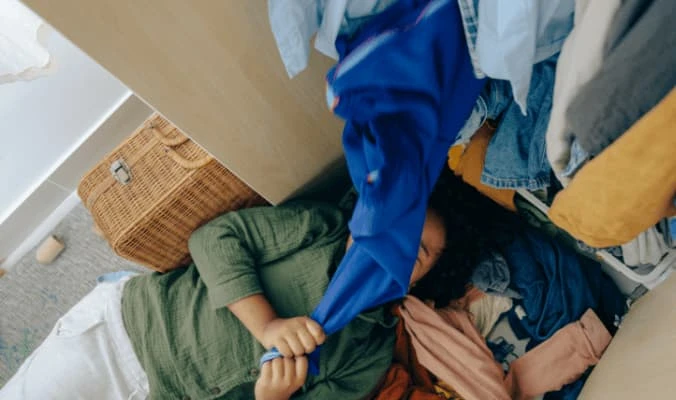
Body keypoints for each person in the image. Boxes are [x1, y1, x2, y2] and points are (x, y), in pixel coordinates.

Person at [0, 183, 459, 400]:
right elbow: (213, 241)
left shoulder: (369, 352)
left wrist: (272, 399)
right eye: (404, 230)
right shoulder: (319, 230)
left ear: (414, 283)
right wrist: (269, 324)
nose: (409, 248)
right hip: (129, 333)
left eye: (422, 255)